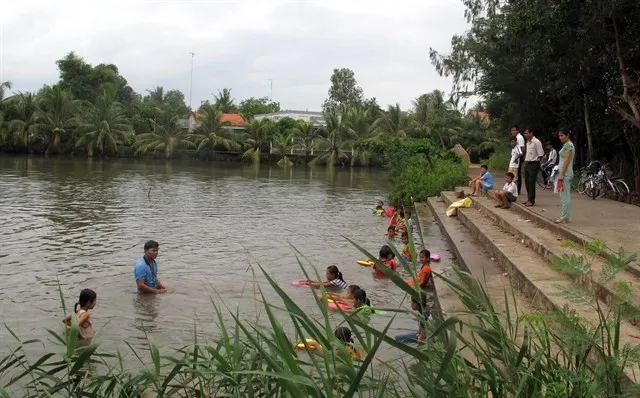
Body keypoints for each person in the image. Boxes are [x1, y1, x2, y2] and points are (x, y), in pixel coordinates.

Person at [555, 129, 575, 224]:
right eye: (559, 135)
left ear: (567, 135)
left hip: (565, 173)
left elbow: (566, 161)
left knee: (564, 196)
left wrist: (561, 174)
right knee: (564, 195)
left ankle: (564, 217)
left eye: (562, 135)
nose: (560, 137)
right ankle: (565, 216)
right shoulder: (567, 145)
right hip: (565, 172)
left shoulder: (568, 145)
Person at [523, 128, 545, 206]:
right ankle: (529, 198)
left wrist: (538, 165)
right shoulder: (528, 142)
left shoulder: (536, 142)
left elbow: (541, 154)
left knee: (531, 182)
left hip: (534, 163)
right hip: (527, 163)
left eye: (527, 133)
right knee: (527, 182)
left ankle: (531, 200)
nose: (526, 135)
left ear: (531, 133)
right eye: (525, 133)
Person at [511, 125, 526, 195]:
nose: (512, 132)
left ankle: (518, 190)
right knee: (514, 174)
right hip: (515, 159)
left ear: (517, 130)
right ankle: (514, 188)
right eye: (512, 130)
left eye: (514, 130)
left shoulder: (520, 138)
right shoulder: (515, 138)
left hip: (518, 159)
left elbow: (522, 149)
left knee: (517, 174)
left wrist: (518, 158)